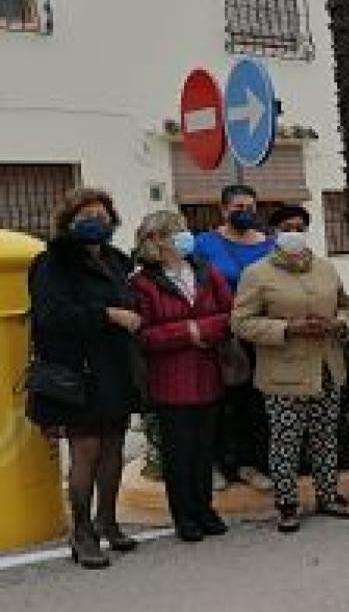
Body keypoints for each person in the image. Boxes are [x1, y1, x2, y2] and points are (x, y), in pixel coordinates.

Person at [27, 188, 141, 569]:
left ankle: (107, 521)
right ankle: (82, 533)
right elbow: (50, 315)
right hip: (80, 373)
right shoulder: (52, 262)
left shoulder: (117, 261)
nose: (96, 221)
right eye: (86, 215)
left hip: (116, 370)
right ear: (68, 221)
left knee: (113, 449)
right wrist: (106, 315)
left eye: (102, 214)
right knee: (86, 453)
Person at [232, 205, 349, 533]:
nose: (295, 233)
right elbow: (241, 323)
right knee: (286, 441)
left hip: (326, 367)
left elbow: (345, 307)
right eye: (287, 227)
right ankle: (286, 503)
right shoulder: (257, 273)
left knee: (325, 437)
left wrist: (338, 325)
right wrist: (288, 328)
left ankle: (328, 495)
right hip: (283, 373)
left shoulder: (326, 268)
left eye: (300, 227)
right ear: (274, 233)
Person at [130, 211, 234, 543]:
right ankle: (184, 516)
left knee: (205, 450)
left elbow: (229, 314)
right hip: (170, 381)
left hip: (208, 375)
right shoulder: (142, 283)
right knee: (179, 454)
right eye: (177, 232)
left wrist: (201, 328)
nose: (185, 236)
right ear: (157, 240)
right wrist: (187, 332)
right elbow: (143, 334)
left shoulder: (205, 271)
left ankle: (206, 509)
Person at [194, 183, 275, 492]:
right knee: (218, 403)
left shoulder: (270, 245)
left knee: (254, 405)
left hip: (260, 335)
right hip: (222, 336)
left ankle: (249, 464)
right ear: (224, 209)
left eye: (250, 208)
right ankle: (216, 464)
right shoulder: (204, 244)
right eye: (238, 208)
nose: (245, 213)